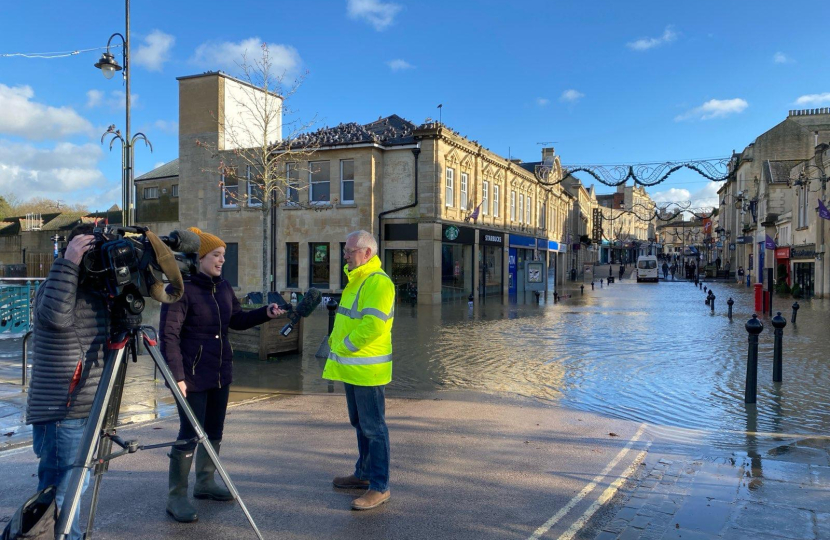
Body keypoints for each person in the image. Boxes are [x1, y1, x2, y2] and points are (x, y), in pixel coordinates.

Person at [160, 228, 285, 523]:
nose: (221, 261)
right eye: (216, 255)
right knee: (189, 434)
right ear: (200, 257)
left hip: (220, 373)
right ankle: (176, 496)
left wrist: (265, 312)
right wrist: (176, 376)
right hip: (190, 377)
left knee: (215, 430)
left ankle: (205, 483)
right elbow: (168, 336)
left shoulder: (224, 287)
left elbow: (237, 320)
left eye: (223, 256)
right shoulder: (180, 289)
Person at [25, 224, 106, 540]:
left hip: (85, 403)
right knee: (62, 488)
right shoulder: (53, 285)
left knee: (75, 483)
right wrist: (68, 261)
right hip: (62, 408)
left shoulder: (94, 290)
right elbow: (57, 317)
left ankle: (66, 534)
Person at [324, 230, 396, 510]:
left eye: (350, 250)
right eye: (345, 250)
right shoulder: (357, 279)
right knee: (361, 424)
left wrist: (343, 346)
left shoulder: (377, 282)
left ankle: (380, 486)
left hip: (367, 369)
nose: (345, 255)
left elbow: (373, 325)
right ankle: (364, 474)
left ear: (367, 253)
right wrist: (339, 346)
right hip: (354, 368)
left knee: (374, 428)